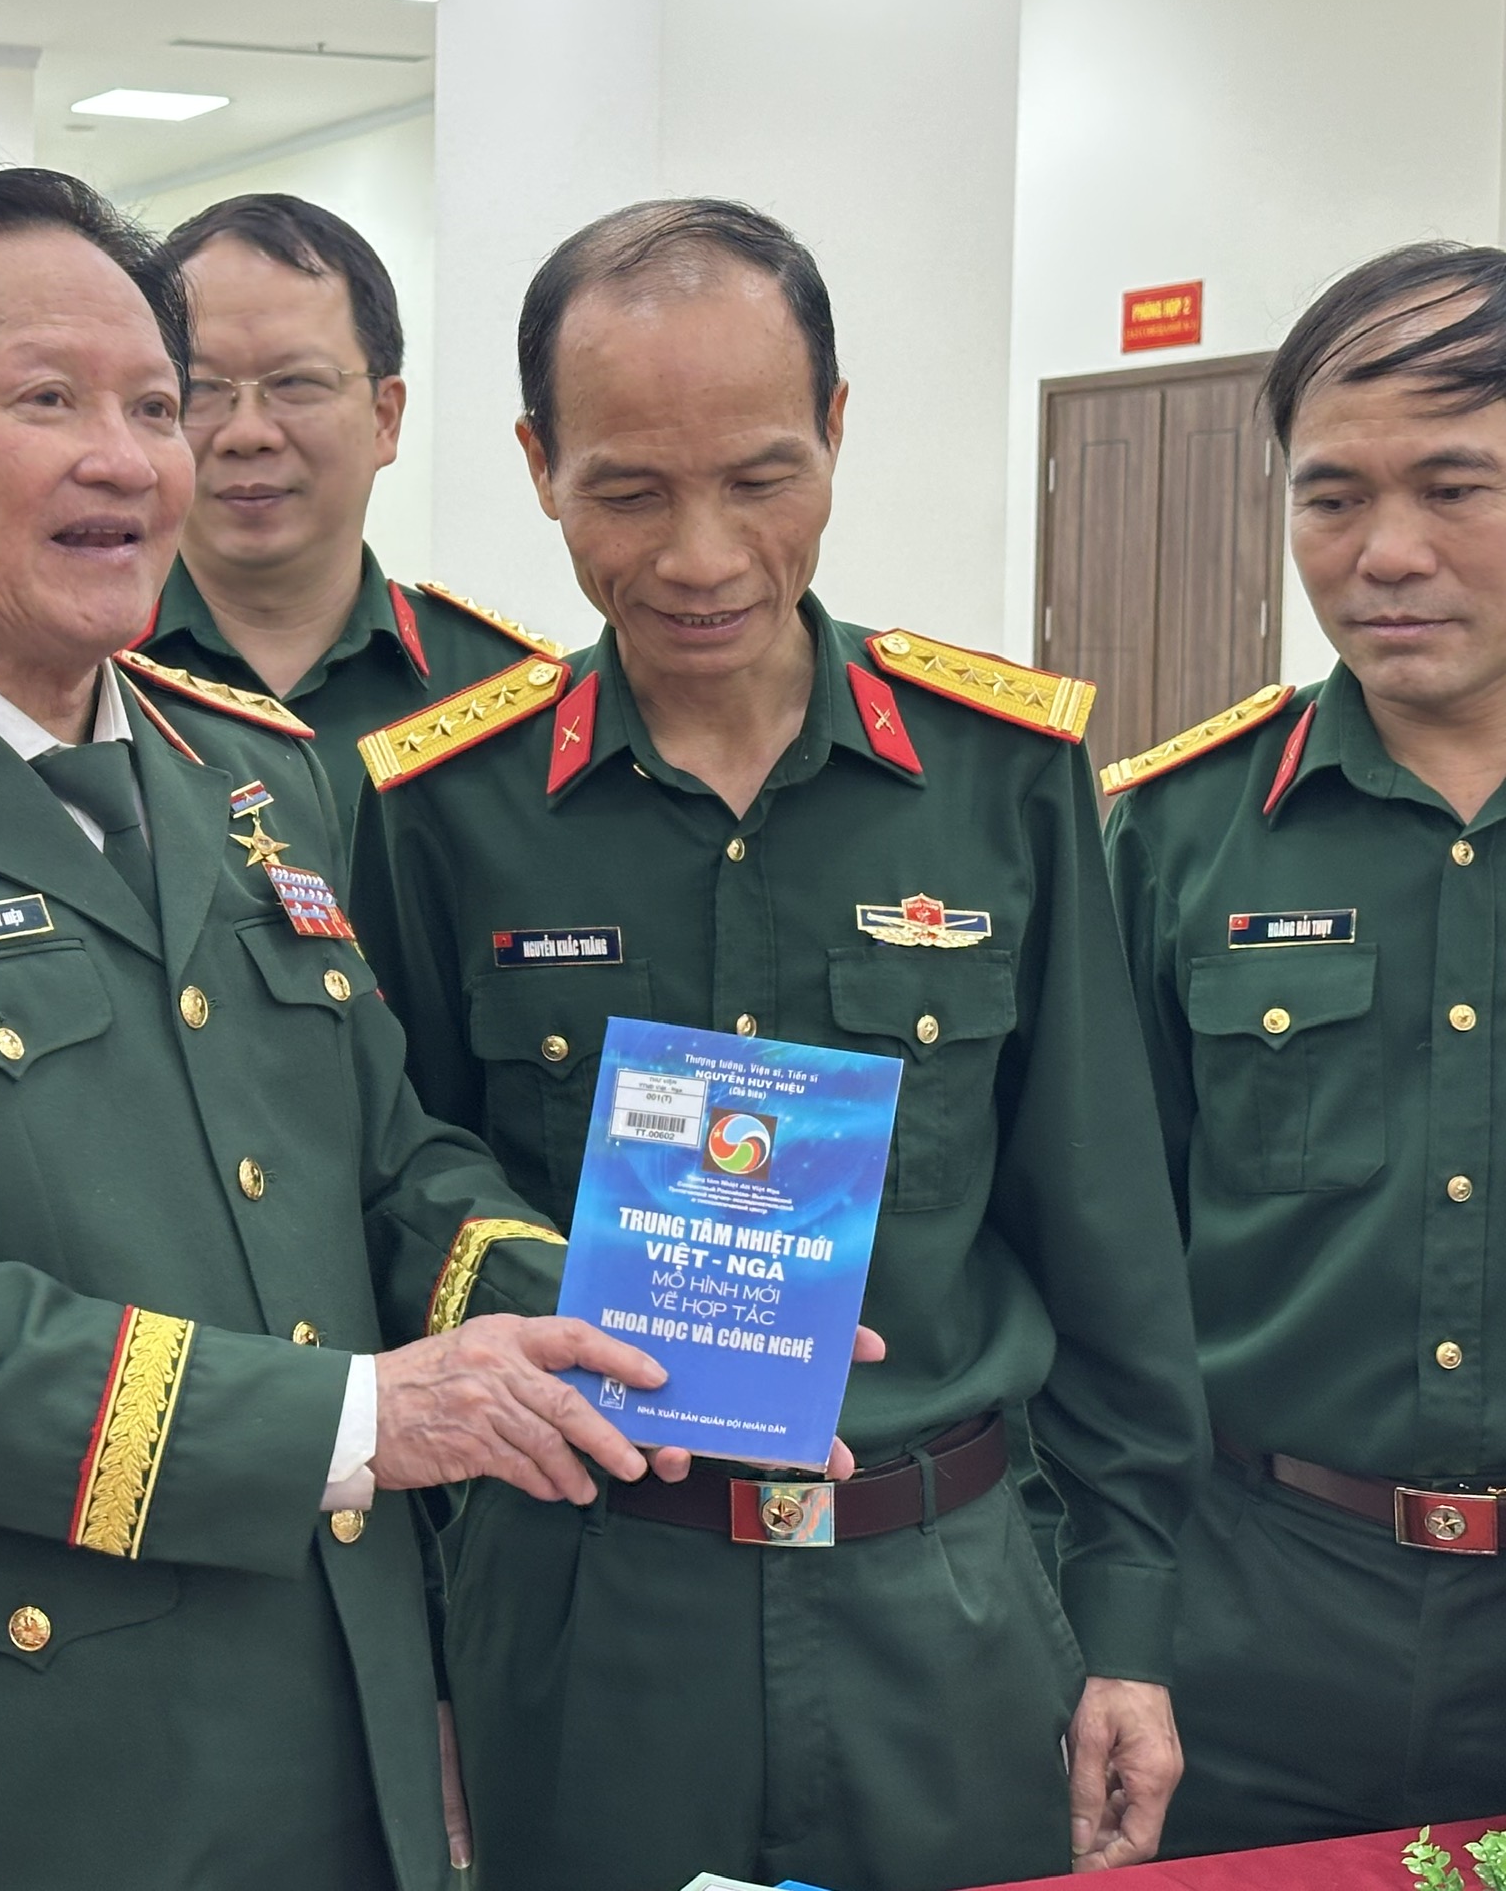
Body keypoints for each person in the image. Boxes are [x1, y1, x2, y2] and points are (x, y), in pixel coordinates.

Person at [0, 166, 680, 1891]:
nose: (131, 459)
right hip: (22, 1768)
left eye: (153, 407)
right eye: (49, 402)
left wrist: (622, 1305)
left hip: (338, 1715)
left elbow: (387, 1162)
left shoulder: (254, 774)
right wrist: (361, 1420)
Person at [347, 199, 1211, 1891]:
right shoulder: (445, 805)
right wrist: (428, 1658)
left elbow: (1104, 1233)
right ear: (538, 465)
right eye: (627, 492)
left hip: (941, 1610)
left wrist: (1127, 1630)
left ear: (834, 431)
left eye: (760, 478)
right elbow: (390, 1203)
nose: (701, 557)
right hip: (587, 1616)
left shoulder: (1003, 775)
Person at [1102, 239, 1506, 1851]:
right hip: (1260, 1624)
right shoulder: (1174, 837)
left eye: (1457, 488)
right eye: (1332, 498)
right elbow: (1098, 1267)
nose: (1387, 554)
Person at [134, 193, 564, 832]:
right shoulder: (73, 675)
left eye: (295, 383)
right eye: (198, 390)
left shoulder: (513, 693)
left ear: (383, 418)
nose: (247, 434)